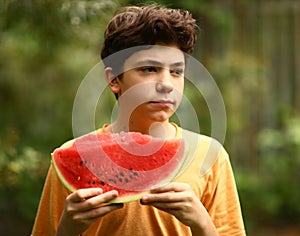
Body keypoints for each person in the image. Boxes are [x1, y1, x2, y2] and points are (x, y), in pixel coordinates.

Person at [32, 4, 246, 236]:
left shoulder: (210, 155)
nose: (166, 84)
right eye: (148, 69)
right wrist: (67, 230)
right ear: (114, 79)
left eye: (176, 71)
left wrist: (201, 223)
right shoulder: (72, 154)